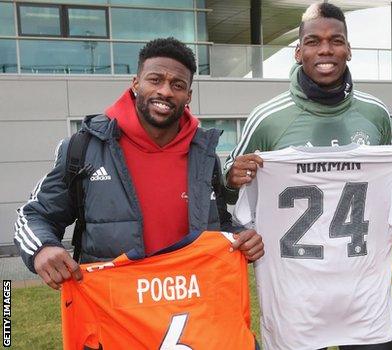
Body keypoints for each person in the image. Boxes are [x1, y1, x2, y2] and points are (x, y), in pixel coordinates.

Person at [223, 3, 392, 349]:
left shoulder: (374, 113)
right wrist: (233, 178)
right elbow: (231, 194)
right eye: (314, 41)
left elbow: (387, 193)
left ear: (349, 49)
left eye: (336, 40)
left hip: (364, 301)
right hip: (295, 303)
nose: (326, 50)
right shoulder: (267, 118)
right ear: (298, 50)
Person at [13, 37, 264, 291]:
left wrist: (240, 237)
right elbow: (34, 215)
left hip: (191, 312)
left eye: (177, 85)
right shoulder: (84, 148)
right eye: (155, 80)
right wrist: (42, 248)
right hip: (116, 314)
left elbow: (216, 223)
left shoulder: (203, 154)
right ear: (135, 83)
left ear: (188, 95)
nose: (165, 91)